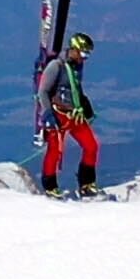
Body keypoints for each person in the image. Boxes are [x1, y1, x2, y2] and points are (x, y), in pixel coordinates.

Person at [39, 29, 100, 197]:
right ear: (73, 49)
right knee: (55, 151)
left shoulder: (77, 66)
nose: (84, 58)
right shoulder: (56, 66)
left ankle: (86, 183)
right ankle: (50, 186)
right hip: (58, 114)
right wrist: (47, 114)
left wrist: (84, 103)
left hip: (74, 114)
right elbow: (43, 91)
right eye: (82, 53)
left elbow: (75, 87)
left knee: (91, 146)